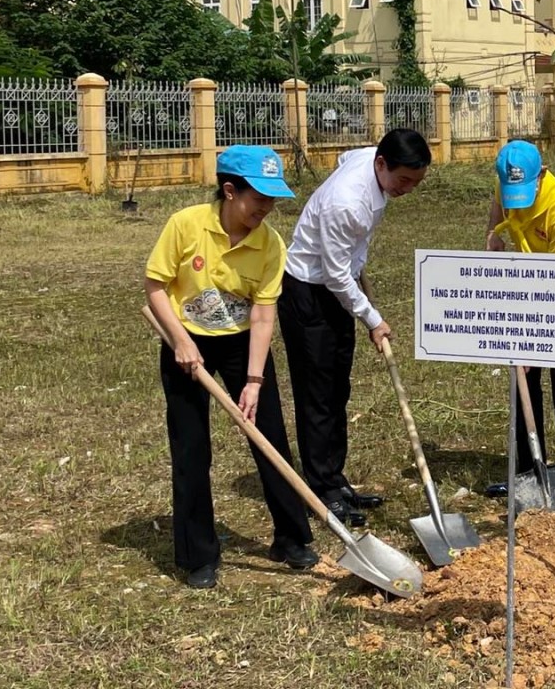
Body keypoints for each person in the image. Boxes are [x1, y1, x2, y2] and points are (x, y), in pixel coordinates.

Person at [145, 145, 317, 590]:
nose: (266, 208)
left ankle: (291, 538)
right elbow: (156, 287)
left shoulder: (270, 244)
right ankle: (198, 555)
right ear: (229, 190)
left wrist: (255, 380)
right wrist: (180, 341)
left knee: (271, 439)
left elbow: (263, 314)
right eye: (258, 198)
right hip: (187, 345)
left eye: (272, 199)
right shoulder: (186, 225)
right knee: (191, 449)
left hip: (243, 345)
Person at [279, 128, 431, 528]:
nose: (408, 190)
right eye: (403, 181)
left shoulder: (368, 158)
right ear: (381, 164)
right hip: (308, 290)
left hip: (336, 284)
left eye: (417, 182)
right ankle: (322, 491)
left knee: (337, 387)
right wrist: (373, 318)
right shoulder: (346, 204)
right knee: (318, 394)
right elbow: (336, 276)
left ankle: (335, 479)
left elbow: (345, 157)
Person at [481, 140, 555, 514]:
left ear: (541, 175)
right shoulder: (505, 186)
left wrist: (536, 341)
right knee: (522, 381)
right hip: (528, 285)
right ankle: (528, 472)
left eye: (523, 192)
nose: (517, 200)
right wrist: (493, 235)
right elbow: (498, 205)